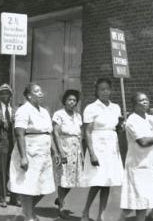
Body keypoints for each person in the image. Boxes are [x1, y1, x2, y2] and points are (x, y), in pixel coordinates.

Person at [8, 82, 60, 221]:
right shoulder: (23, 110)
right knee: (28, 184)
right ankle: (28, 215)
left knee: (43, 184)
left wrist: (54, 151)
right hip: (30, 151)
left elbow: (48, 133)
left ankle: (27, 211)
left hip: (44, 153)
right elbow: (19, 134)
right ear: (29, 96)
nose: (41, 93)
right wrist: (23, 157)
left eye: (41, 90)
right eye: (37, 91)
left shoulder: (44, 111)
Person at [118, 92, 153, 221]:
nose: (145, 102)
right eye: (141, 100)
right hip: (138, 164)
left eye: (147, 100)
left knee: (142, 200)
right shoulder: (131, 121)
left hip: (151, 163)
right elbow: (143, 142)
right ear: (134, 104)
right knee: (140, 201)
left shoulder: (150, 118)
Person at [81, 78, 124, 221]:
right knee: (97, 181)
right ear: (97, 91)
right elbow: (87, 132)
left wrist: (121, 126)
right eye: (101, 89)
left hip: (111, 147)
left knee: (107, 182)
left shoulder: (116, 107)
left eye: (107, 89)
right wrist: (92, 153)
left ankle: (101, 215)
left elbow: (117, 129)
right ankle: (85, 211)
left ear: (111, 90)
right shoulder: (91, 108)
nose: (105, 92)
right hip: (98, 146)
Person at [52, 89, 83, 219]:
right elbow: (56, 134)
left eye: (74, 100)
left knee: (73, 180)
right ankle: (61, 206)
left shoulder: (78, 116)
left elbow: (80, 135)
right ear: (64, 101)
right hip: (65, 147)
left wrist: (81, 153)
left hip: (76, 149)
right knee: (63, 178)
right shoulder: (59, 114)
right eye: (69, 100)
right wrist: (60, 151)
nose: (72, 102)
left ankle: (60, 199)